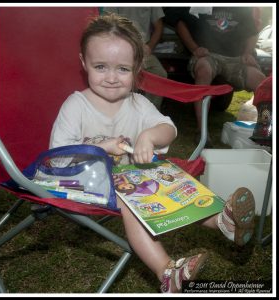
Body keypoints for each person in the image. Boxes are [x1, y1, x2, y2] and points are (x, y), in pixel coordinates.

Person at [49, 14, 256, 293]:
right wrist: (101, 147)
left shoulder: (136, 103)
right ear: (84, 62)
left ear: (136, 68)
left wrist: (149, 135)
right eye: (100, 66)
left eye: (122, 69)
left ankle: (222, 219)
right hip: (80, 181)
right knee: (132, 198)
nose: (111, 78)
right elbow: (56, 157)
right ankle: (167, 273)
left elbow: (168, 129)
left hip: (127, 177)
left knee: (169, 176)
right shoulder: (76, 105)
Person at [163, 6, 266, 146]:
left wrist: (248, 53)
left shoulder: (243, 7)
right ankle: (202, 132)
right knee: (203, 70)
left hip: (236, 59)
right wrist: (194, 48)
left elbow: (252, 33)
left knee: (261, 81)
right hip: (208, 55)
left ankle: (265, 130)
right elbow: (180, 23)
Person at [102, 7, 168, 111]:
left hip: (142, 49)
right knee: (122, 76)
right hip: (118, 47)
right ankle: (117, 111)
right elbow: (109, 24)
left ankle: (151, 113)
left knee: (159, 73)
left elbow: (159, 26)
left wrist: (150, 46)